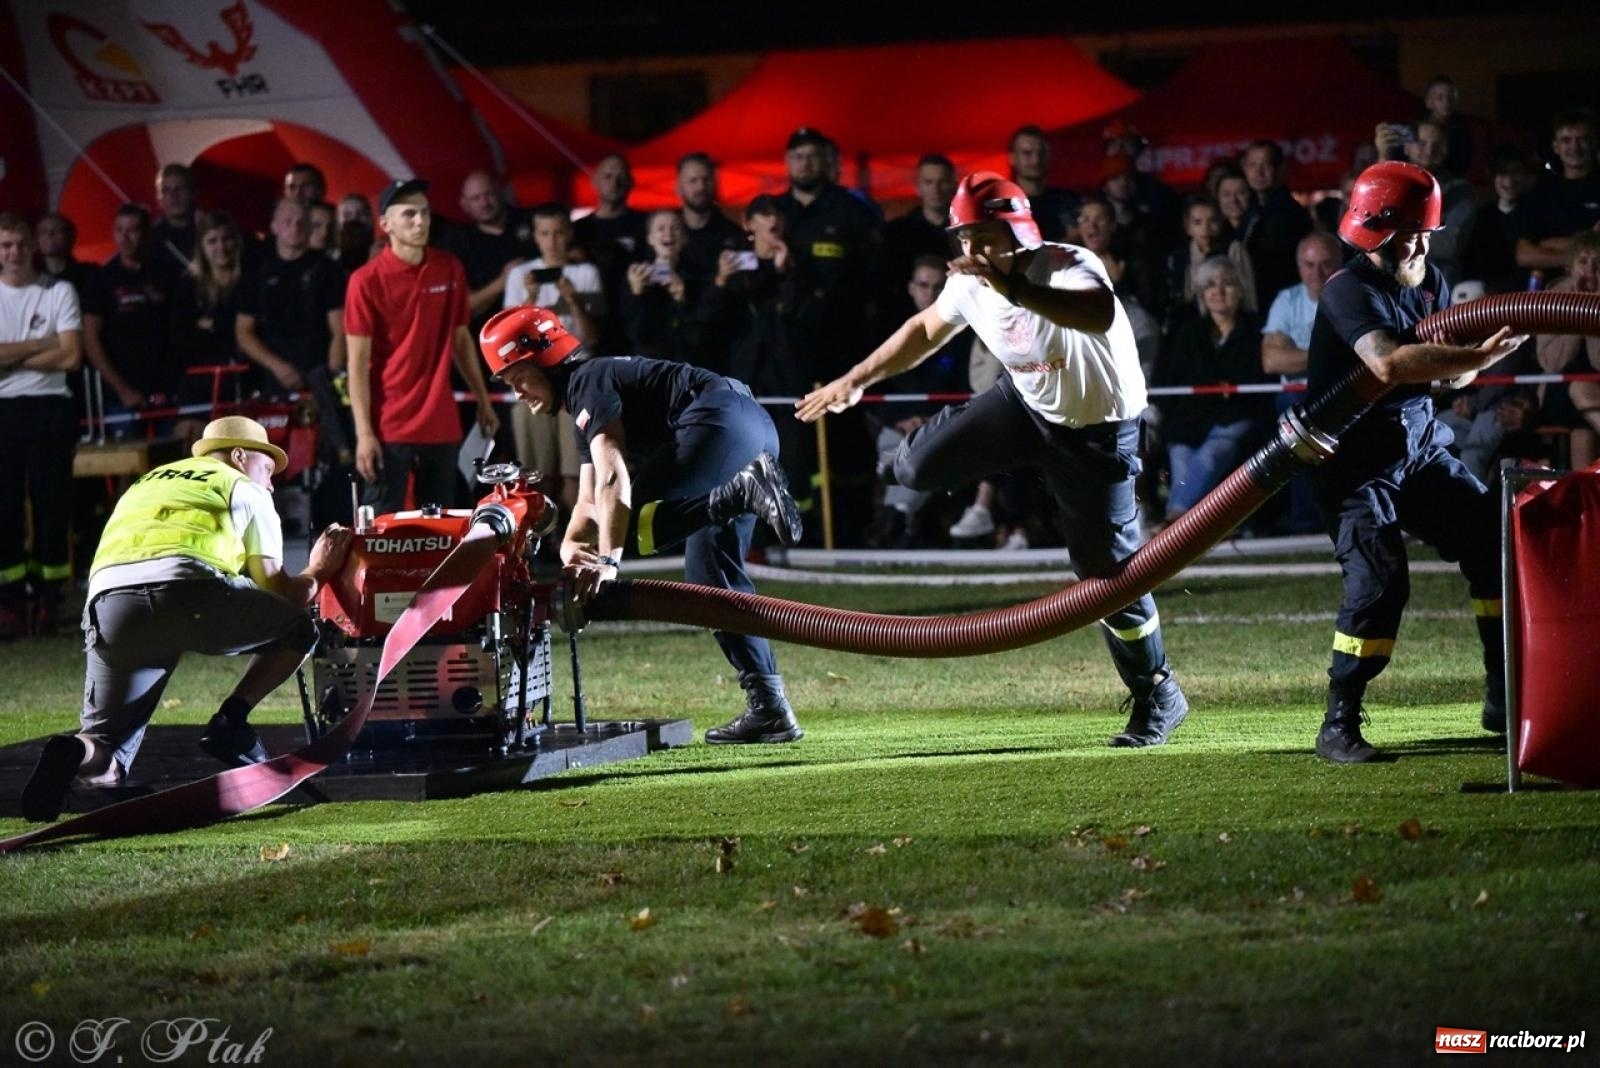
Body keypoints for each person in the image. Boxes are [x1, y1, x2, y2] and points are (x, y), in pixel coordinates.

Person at [798, 172, 1190, 748]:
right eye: (963, 238)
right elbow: (925, 329)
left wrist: (1014, 292)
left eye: (982, 236)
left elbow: (1098, 312)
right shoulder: (970, 282)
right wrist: (853, 382)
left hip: (1096, 434)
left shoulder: (1065, 262)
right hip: (1025, 405)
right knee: (914, 467)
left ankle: (1158, 692)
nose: (971, 251)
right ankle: (983, 470)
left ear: (1015, 232)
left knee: (1107, 577)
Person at [477, 305, 806, 745]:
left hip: (719, 425)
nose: (516, 391)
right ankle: (770, 709)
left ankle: (738, 491)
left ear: (544, 359)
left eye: (516, 376)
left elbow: (614, 480)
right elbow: (591, 499)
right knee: (711, 579)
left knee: (627, 527)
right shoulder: (586, 390)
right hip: (749, 428)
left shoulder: (587, 382)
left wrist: (610, 562)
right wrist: (570, 547)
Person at [18, 416, 353, 822]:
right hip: (188, 589)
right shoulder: (242, 486)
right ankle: (232, 721)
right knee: (299, 628)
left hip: (110, 600)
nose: (271, 484)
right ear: (240, 455)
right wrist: (319, 567)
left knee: (106, 745)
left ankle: (75, 752)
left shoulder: (148, 481)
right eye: (268, 470)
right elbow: (282, 592)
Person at [1307, 161, 1527, 764]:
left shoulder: (1433, 281)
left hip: (1419, 447)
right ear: (1378, 231)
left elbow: (1445, 373)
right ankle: (1338, 723)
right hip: (1352, 460)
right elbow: (1389, 363)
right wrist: (1475, 357)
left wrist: (1471, 361)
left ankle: (1502, 693)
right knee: (1379, 582)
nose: (1419, 246)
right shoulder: (1347, 289)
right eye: (1411, 234)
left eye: (1424, 235)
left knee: (1495, 543)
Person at [345, 179, 499, 515]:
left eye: (425, 213)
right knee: (383, 528)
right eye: (409, 214)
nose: (420, 221)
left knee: (442, 527)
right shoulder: (365, 281)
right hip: (388, 423)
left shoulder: (449, 267)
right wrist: (364, 433)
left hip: (440, 421)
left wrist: (483, 400)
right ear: (385, 224)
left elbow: (461, 340)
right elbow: (356, 364)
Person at [0, 213, 83, 638]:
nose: (13, 253)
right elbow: (57, 347)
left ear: (32, 244)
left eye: (19, 243)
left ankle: (51, 597)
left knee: (52, 505)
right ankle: (12, 600)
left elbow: (70, 356)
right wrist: (41, 343)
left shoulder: (59, 291)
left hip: (51, 407)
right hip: (4, 409)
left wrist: (11, 355)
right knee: (4, 508)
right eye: (4, 245)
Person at [1153, 256, 1273, 525]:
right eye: (1210, 285)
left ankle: (1173, 524)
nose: (1218, 291)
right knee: (1182, 461)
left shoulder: (1257, 329)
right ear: (1201, 292)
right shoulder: (1185, 332)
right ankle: (1183, 530)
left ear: (1240, 290)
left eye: (1227, 284)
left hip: (1236, 418)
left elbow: (1256, 380)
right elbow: (1171, 379)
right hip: (1189, 421)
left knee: (1210, 455)